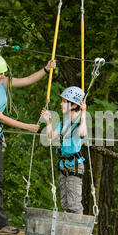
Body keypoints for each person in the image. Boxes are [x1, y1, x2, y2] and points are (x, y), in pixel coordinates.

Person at [0, 53, 56, 235]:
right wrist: (27, 127)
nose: (2, 76)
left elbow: (28, 80)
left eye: (3, 73)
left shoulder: (3, 83)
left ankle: (0, 223)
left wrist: (46, 69)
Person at [40, 86, 87, 215]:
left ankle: (79, 231)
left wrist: (83, 113)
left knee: (74, 204)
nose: (61, 104)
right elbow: (51, 137)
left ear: (73, 105)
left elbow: (82, 133)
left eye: (64, 101)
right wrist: (48, 121)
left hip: (74, 165)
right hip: (64, 165)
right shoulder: (64, 122)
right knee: (65, 203)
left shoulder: (78, 121)